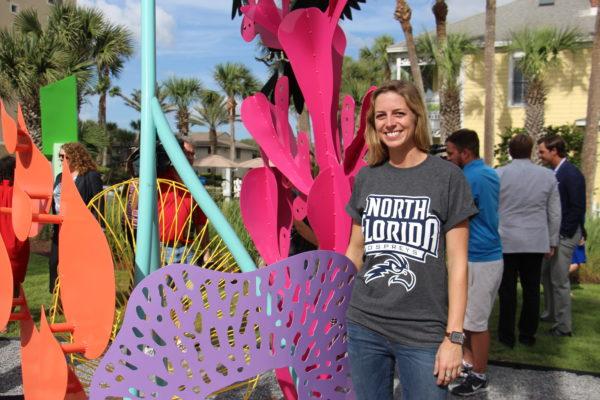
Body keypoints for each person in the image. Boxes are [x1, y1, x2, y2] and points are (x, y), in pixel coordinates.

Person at [344, 80, 477, 400]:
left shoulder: (447, 177)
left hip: (424, 331)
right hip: (364, 325)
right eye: (381, 116)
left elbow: (458, 264)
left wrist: (454, 338)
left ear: (416, 117)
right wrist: (330, 305)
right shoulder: (367, 176)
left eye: (399, 113)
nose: (389, 122)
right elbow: (355, 250)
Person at [445, 129, 503, 396]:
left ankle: (479, 374)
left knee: (477, 324)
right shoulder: (489, 173)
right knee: (468, 319)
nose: (448, 158)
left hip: (479, 258)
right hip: (485, 256)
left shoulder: (467, 178)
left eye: (451, 153)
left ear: (465, 153)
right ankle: (469, 364)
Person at [496, 134, 561, 348]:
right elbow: (554, 212)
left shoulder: (499, 174)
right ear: (531, 150)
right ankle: (527, 334)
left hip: (507, 239)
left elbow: (494, 208)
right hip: (535, 240)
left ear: (510, 151)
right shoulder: (547, 176)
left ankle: (506, 335)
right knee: (532, 289)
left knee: (507, 291)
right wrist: (552, 241)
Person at [538, 135, 586, 337]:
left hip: (564, 235)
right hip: (554, 235)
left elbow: (576, 207)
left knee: (559, 280)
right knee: (545, 274)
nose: (539, 155)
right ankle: (551, 313)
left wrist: (562, 236)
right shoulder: (554, 172)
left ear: (554, 151)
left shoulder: (571, 174)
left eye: (542, 151)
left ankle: (563, 327)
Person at [49, 143, 104, 293]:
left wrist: (99, 230)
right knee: (54, 263)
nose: (61, 160)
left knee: (77, 266)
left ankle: (78, 296)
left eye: (64, 157)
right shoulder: (60, 177)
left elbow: (99, 203)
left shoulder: (90, 175)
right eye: (60, 157)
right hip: (60, 228)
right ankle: (58, 300)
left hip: (81, 230)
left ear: (76, 156)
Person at [0, 155, 30, 298]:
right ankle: (9, 309)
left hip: (2, 238)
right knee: (14, 280)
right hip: (16, 239)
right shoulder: (21, 192)